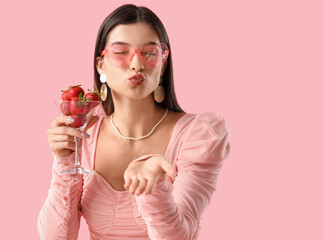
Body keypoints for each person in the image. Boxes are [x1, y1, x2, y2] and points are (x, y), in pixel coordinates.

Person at [38, 4, 230, 240]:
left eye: (149, 53)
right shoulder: (83, 134)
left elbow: (180, 236)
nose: (137, 64)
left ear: (163, 65)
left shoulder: (199, 135)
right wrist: (64, 161)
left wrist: (154, 189)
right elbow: (56, 236)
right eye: (121, 52)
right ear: (101, 65)